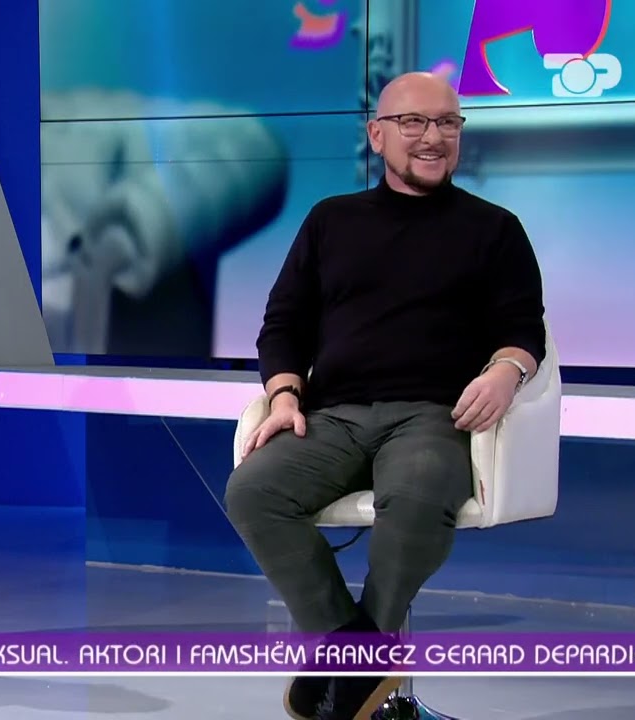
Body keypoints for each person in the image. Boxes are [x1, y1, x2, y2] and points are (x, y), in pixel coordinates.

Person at [224, 72, 546, 720]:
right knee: (253, 491)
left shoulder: (495, 229)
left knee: (420, 494)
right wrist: (284, 395)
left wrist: (506, 371)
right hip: (333, 415)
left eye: (447, 123)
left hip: (435, 415)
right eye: (413, 122)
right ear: (377, 135)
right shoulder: (330, 221)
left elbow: (523, 330)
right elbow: (283, 324)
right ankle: (355, 654)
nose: (433, 137)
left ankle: (351, 664)